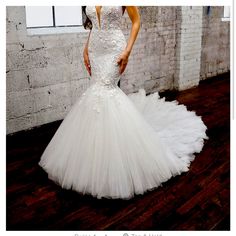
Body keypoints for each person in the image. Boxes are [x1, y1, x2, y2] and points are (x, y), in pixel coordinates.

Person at [38, 6, 209, 200]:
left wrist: (127, 51)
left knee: (105, 90)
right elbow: (94, 25)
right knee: (95, 94)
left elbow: (137, 21)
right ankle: (96, 157)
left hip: (114, 49)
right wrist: (86, 49)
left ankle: (117, 159)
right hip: (95, 49)